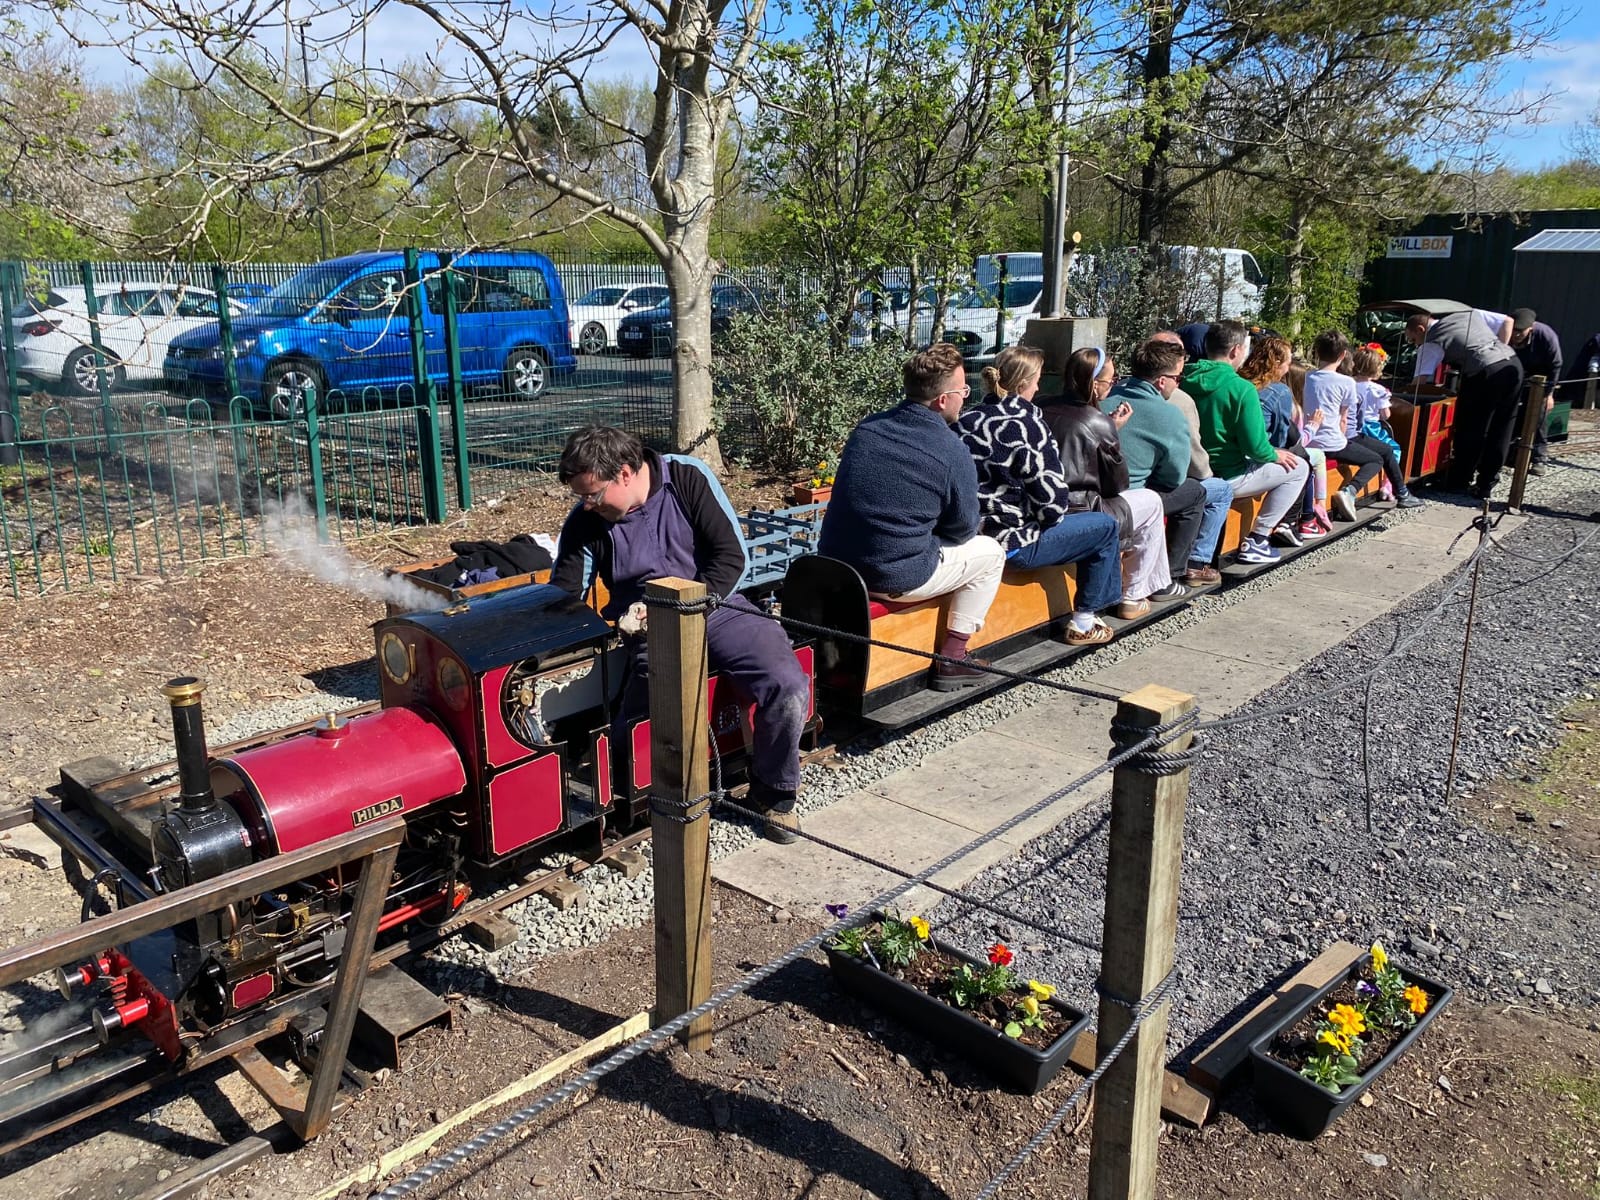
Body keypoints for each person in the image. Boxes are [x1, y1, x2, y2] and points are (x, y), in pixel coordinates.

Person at [551, 425, 809, 844]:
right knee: (638, 716)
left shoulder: (686, 476)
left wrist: (691, 604)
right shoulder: (586, 522)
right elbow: (565, 594)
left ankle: (775, 793)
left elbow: (731, 556)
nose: (587, 504)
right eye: (581, 496)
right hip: (648, 629)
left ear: (624, 474)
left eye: (593, 494)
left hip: (718, 607)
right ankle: (624, 795)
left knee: (788, 684)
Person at [818, 343, 1006, 691]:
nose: (966, 398)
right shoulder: (951, 449)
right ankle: (953, 657)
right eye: (963, 391)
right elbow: (964, 529)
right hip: (894, 576)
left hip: (837, 567)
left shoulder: (868, 428)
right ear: (942, 400)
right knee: (992, 554)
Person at [954, 345, 1122, 645]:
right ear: (1024, 384)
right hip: (1015, 541)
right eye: (1037, 379)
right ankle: (1085, 619)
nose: (1039, 386)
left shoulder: (967, 419)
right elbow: (1052, 504)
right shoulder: (1029, 426)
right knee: (1105, 526)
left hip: (972, 532)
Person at [1037, 347, 1183, 617]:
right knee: (1151, 501)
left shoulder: (1041, 405)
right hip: (1082, 509)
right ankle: (1133, 594)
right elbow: (1116, 485)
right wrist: (1111, 433)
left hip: (1042, 502)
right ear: (1094, 384)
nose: (1112, 386)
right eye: (1110, 381)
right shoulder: (1098, 421)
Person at [1105, 338, 1233, 584]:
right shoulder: (1170, 413)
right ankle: (1178, 572)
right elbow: (1174, 477)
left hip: (1101, 492)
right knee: (1196, 491)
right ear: (1162, 381)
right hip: (1133, 497)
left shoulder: (1107, 397)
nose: (1179, 383)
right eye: (1178, 377)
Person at [1181, 320, 1309, 565]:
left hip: (1189, 472)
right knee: (1299, 468)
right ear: (1235, 351)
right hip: (1228, 475)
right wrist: (1276, 454)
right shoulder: (1242, 388)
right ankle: (1259, 539)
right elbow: (1256, 448)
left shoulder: (1183, 380)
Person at [1404, 309, 1525, 498]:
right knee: (1502, 426)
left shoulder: (1432, 341)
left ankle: (1459, 480)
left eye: (1412, 340)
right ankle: (1487, 482)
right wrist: (1500, 346)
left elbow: (1418, 383)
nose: (1414, 345)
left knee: (1471, 427)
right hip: (1512, 363)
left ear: (1420, 329)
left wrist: (1401, 395)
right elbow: (1508, 321)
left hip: (1484, 372)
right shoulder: (1469, 313)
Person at [1303, 330, 1422, 520]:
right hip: (1334, 440)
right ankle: (1350, 491)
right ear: (1343, 355)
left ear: (1317, 352)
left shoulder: (1308, 377)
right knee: (1378, 458)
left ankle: (1402, 493)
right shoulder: (1346, 382)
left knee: (1385, 450)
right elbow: (1343, 420)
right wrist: (1344, 442)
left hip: (1310, 436)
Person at [1238, 334, 1314, 545]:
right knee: (1300, 465)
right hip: (1248, 462)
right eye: (1288, 364)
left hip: (1227, 456)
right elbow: (1280, 439)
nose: (1288, 370)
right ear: (1277, 363)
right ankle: (1262, 534)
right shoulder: (1279, 391)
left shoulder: (1239, 382)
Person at [1150, 330, 1213, 481]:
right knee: (1220, 489)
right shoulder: (1180, 400)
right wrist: (1208, 474)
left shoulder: (1118, 389)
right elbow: (1197, 465)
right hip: (1163, 483)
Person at [1509, 307, 1563, 474]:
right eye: (1514, 330)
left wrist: (1549, 394)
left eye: (1520, 331)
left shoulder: (1546, 336)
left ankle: (1539, 458)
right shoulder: (1505, 332)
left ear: (1530, 330)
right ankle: (1511, 453)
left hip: (1541, 378)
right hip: (1515, 374)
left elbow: (1556, 365)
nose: (1516, 334)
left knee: (1538, 417)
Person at [1347, 344, 1406, 495]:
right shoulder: (1378, 390)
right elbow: (1385, 415)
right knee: (1394, 449)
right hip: (1371, 427)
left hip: (1351, 425)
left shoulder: (1349, 384)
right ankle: (1387, 484)